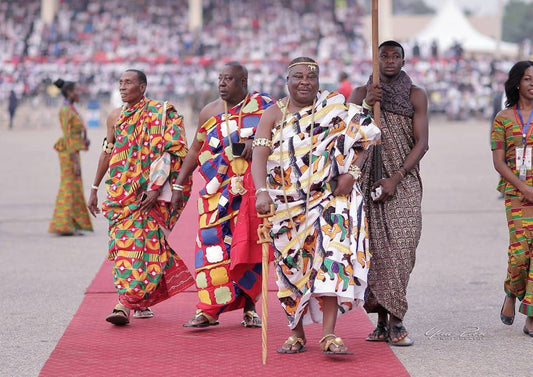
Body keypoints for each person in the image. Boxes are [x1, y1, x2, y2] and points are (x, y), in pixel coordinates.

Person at [252, 57, 381, 354]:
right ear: (287, 80)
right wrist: (262, 192)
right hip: (286, 205)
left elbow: (367, 135)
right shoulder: (272, 114)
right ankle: (295, 333)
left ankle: (329, 334)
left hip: (329, 200)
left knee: (331, 260)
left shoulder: (334, 109)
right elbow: (259, 156)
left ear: (319, 81)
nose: (304, 82)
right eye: (298, 76)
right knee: (291, 269)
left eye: (311, 77)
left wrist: (353, 174)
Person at [171, 62, 274, 328]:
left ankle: (249, 308)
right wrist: (179, 185)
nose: (222, 83)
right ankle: (208, 309)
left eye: (229, 79)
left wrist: (258, 143)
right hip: (216, 191)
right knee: (210, 247)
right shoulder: (210, 111)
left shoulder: (265, 107)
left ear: (244, 82)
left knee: (248, 249)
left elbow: (283, 137)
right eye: (220, 78)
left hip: (251, 192)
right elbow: (195, 150)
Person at [87, 69, 194, 325]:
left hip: (148, 196)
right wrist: (93, 188)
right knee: (124, 247)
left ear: (142, 87)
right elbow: (107, 153)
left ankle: (123, 304)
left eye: (129, 83)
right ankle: (138, 299)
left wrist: (157, 187)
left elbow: (175, 152)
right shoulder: (114, 117)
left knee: (145, 250)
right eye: (120, 83)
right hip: (120, 195)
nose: (123, 87)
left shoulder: (162, 114)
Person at [349, 40, 429, 346]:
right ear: (375, 60)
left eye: (396, 56)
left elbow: (422, 142)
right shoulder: (360, 93)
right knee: (374, 253)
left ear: (404, 61)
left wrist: (396, 177)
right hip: (367, 179)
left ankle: (397, 317)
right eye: (385, 56)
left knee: (402, 248)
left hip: (403, 179)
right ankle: (383, 322)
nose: (390, 60)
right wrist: (366, 104)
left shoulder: (415, 95)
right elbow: (344, 134)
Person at [491, 60, 533, 337]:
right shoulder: (503, 119)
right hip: (517, 196)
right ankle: (510, 293)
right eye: (529, 79)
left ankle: (530, 316)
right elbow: (499, 162)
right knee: (520, 255)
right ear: (518, 82)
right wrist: (524, 187)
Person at [49, 79, 93, 236]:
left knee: (74, 186)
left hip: (73, 151)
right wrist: (75, 161)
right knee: (68, 186)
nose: (79, 93)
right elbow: (68, 137)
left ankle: (73, 223)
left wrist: (83, 141)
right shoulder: (66, 111)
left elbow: (75, 133)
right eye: (77, 91)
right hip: (69, 153)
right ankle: (63, 225)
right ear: (69, 92)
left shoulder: (71, 108)